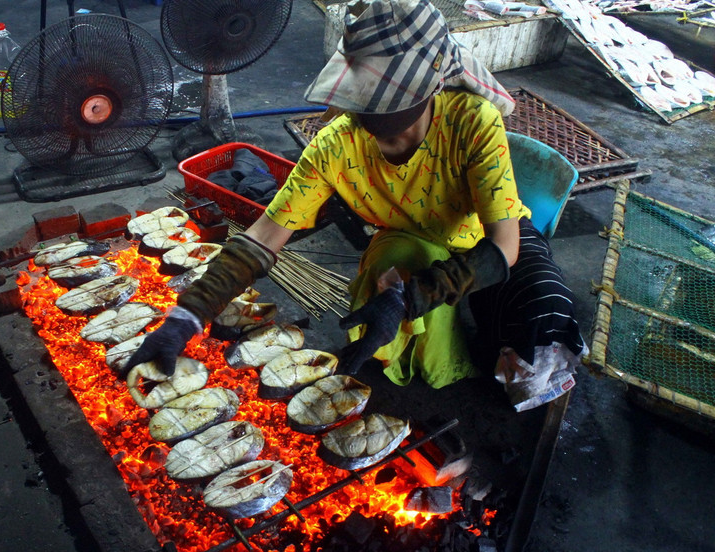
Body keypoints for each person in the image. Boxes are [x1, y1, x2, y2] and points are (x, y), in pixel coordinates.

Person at [126, 0, 586, 406]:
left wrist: (415, 296)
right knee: (395, 267)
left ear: (429, 86)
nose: (370, 117)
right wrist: (187, 315)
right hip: (408, 239)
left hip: (482, 239)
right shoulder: (335, 145)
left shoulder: (472, 121)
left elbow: (504, 247)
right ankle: (414, 367)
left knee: (544, 311)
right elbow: (263, 237)